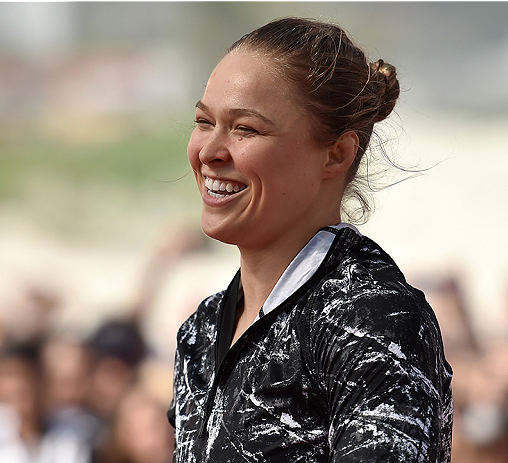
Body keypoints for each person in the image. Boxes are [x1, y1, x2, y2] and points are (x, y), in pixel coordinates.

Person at [168, 17, 453, 462]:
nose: (209, 152)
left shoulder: (369, 319)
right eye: (204, 122)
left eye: (246, 129)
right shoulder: (201, 332)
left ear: (335, 154)